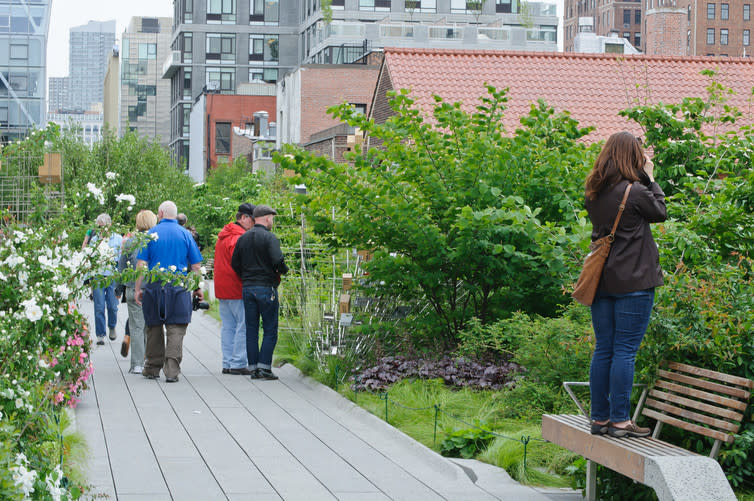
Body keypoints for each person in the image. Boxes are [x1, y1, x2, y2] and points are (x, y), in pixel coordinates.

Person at [585, 132, 667, 438]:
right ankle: (620, 421)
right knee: (624, 352)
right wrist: (650, 178)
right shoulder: (635, 191)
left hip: (602, 281)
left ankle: (600, 419)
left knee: (603, 348)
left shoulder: (593, 190)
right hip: (634, 282)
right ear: (633, 157)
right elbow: (660, 212)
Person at [134, 201, 204, 383]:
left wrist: (137, 288)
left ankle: (152, 368)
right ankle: (172, 371)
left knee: (154, 327)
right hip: (179, 288)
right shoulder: (186, 235)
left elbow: (141, 264)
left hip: (154, 287)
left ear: (161, 213)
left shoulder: (151, 234)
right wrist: (197, 288)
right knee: (176, 329)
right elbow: (196, 266)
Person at [231, 205, 288, 380]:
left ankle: (254, 367)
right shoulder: (270, 238)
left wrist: (246, 276)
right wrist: (283, 271)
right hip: (266, 287)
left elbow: (235, 263)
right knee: (270, 328)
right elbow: (277, 259)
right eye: (272, 218)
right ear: (267, 218)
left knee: (251, 329)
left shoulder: (243, 238)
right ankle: (265, 367)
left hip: (248, 287)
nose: (272, 221)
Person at [215, 203, 256, 375]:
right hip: (237, 287)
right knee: (243, 326)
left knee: (228, 326)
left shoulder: (224, 236)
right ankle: (238, 362)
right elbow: (241, 263)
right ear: (244, 218)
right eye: (253, 219)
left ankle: (227, 362)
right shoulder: (239, 238)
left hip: (222, 287)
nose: (255, 224)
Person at [118, 209, 158, 374]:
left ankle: (136, 364)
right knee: (151, 326)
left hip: (133, 287)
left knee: (136, 326)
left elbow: (121, 267)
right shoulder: (156, 240)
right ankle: (150, 360)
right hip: (153, 288)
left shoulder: (129, 242)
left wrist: (119, 288)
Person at [84, 213, 123, 345]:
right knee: (99, 305)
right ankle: (100, 334)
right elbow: (90, 260)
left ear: (110, 226)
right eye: (99, 227)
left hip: (112, 275)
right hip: (98, 275)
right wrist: (87, 277)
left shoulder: (118, 239)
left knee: (112, 305)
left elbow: (121, 259)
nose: (101, 229)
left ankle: (112, 325)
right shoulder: (95, 240)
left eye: (103, 226)